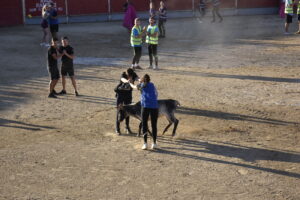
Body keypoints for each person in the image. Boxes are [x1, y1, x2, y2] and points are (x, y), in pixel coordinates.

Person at [130, 74, 158, 150]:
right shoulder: (152, 85)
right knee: (154, 125)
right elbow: (156, 94)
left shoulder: (141, 85)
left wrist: (130, 83)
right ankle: (154, 143)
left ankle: (145, 144)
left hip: (145, 106)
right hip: (154, 106)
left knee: (144, 124)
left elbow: (134, 87)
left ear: (143, 80)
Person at [115, 68, 139, 135]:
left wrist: (141, 80)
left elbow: (138, 78)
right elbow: (122, 79)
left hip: (128, 95)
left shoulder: (133, 74)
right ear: (126, 74)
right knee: (119, 110)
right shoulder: (123, 74)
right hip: (120, 94)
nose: (129, 76)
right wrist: (127, 81)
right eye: (128, 75)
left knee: (128, 111)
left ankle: (127, 127)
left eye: (130, 75)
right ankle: (117, 129)